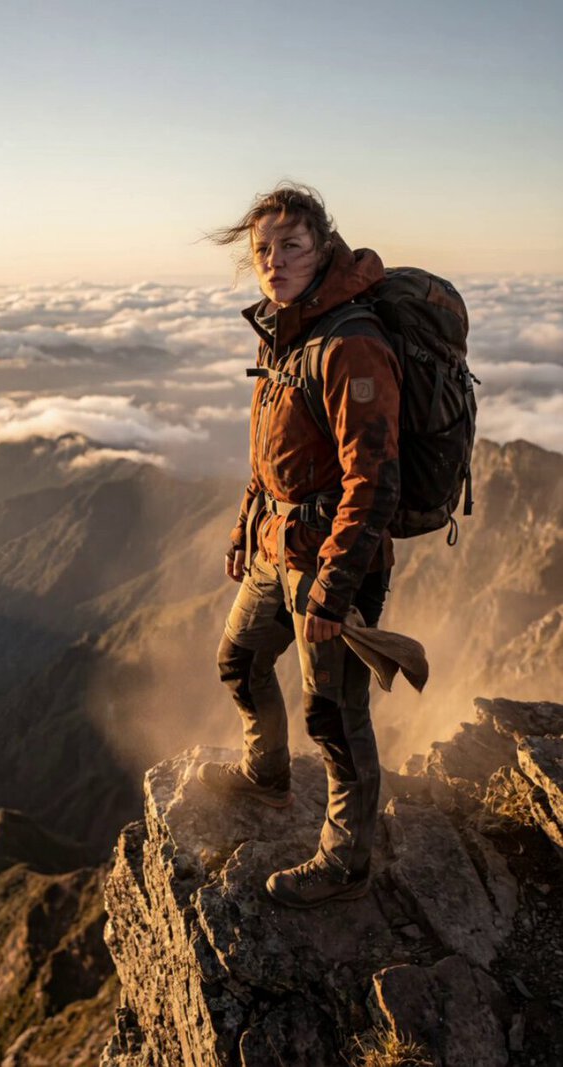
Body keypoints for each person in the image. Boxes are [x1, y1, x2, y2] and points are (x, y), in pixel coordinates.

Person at [197, 184, 401, 908]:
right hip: (274, 547)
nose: (274, 261)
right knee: (240, 658)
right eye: (263, 250)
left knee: (334, 714)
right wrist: (244, 528)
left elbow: (373, 484)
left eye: (291, 246)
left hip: (331, 564)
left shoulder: (351, 344)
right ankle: (267, 777)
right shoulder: (283, 332)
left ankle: (346, 861)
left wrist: (334, 590)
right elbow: (270, 458)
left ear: (322, 248)